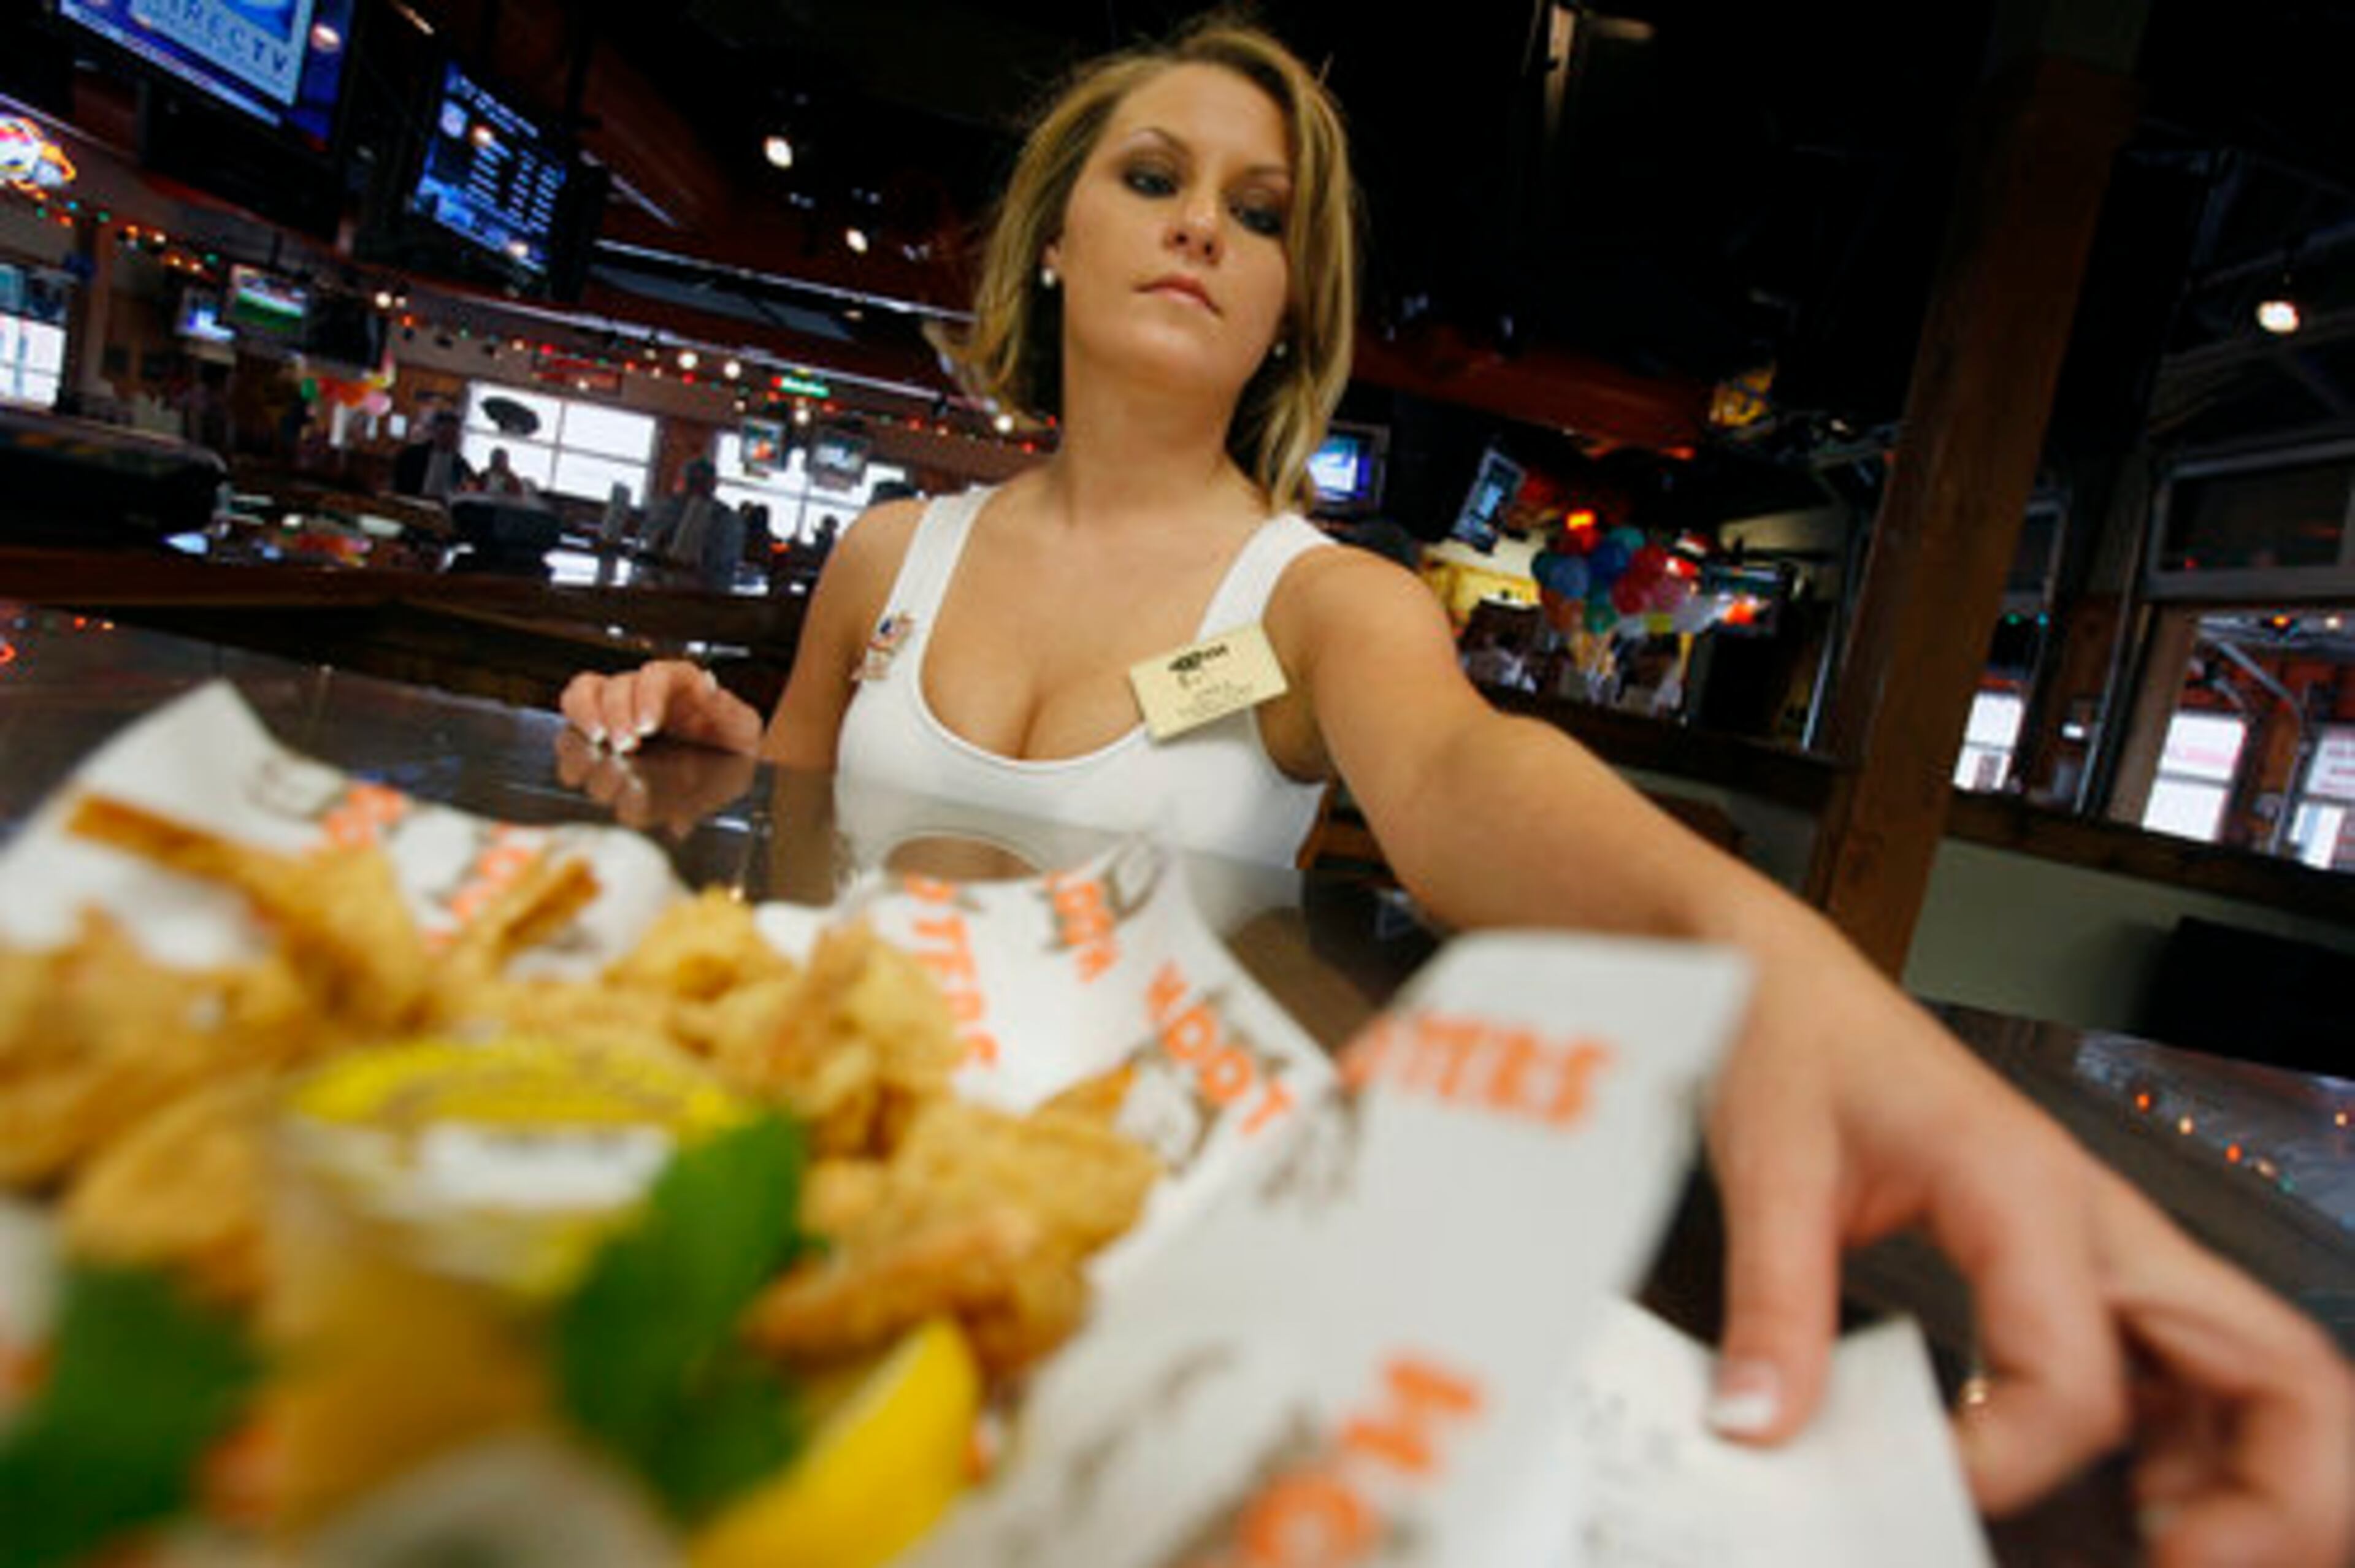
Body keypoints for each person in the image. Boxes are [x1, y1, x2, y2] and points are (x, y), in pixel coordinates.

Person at [559, 20, 2353, 1562]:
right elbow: (782, 860)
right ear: (1047, 239)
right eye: (1151, 177)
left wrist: (1762, 964)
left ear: (1285, 304)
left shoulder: (1308, 608)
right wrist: (705, 738)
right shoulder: (889, 557)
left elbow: (1457, 775)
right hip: (793, 1209)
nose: (1201, 225)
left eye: (1258, 215)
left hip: (1134, 1294)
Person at [645, 456, 745, 592]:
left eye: (700, 482)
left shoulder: (665, 508)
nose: (698, 486)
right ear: (715, 485)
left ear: (682, 481)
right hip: (705, 596)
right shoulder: (731, 520)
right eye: (695, 481)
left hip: (702, 595)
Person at [391, 407, 474, 501]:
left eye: (453, 435)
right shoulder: (412, 455)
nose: (449, 439)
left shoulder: (461, 465)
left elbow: (465, 492)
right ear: (435, 432)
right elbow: (398, 485)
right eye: (444, 434)